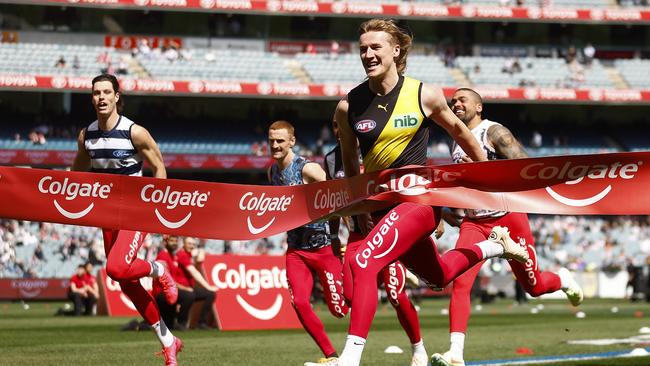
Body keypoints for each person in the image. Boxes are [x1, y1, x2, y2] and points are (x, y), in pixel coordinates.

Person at [331, 19, 530, 366]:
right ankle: (494, 246)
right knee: (438, 277)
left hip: (420, 201)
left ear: (396, 51)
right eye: (363, 48)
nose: (368, 54)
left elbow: (463, 134)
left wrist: (483, 173)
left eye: (375, 47)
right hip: (378, 206)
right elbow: (350, 164)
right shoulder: (348, 106)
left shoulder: (425, 94)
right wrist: (356, 208)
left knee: (365, 263)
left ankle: (350, 358)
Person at [430, 88, 584, 366]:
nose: (456, 104)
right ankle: (455, 353)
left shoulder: (494, 133)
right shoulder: (455, 139)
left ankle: (562, 279)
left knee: (533, 286)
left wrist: (484, 164)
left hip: (507, 217)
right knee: (461, 282)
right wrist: (448, 212)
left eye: (462, 100)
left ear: (479, 107)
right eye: (453, 102)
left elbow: (528, 167)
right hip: (474, 222)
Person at [71, 74, 182, 365]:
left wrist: (158, 213)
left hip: (136, 211)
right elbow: (75, 176)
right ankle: (169, 342)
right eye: (96, 93)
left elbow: (159, 166)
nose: (102, 98)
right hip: (107, 215)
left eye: (107, 92)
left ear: (117, 96)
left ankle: (159, 270)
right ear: (92, 98)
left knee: (117, 268)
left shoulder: (135, 132)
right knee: (124, 280)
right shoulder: (87, 136)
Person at [325, 118, 428, 366]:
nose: (340, 130)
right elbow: (333, 200)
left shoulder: (376, 147)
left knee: (395, 294)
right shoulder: (330, 159)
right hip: (357, 236)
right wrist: (332, 235)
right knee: (349, 295)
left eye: (344, 125)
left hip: (386, 230)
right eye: (336, 126)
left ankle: (418, 349)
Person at [267, 120, 349, 366]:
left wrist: (345, 232)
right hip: (295, 251)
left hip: (323, 248)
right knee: (300, 302)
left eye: (280, 141)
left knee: (339, 309)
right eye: (271, 140)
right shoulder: (271, 172)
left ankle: (357, 275)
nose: (275, 145)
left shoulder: (308, 169)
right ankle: (332, 356)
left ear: (292, 141)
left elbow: (338, 197)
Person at [175, 236, 218, 330]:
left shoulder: (189, 255)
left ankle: (201, 323)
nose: (191, 246)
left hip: (189, 288)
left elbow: (199, 259)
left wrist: (200, 251)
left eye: (193, 244)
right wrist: (208, 287)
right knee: (190, 295)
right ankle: (181, 323)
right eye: (189, 244)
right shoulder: (182, 254)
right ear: (183, 244)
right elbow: (193, 272)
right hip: (179, 288)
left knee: (210, 295)